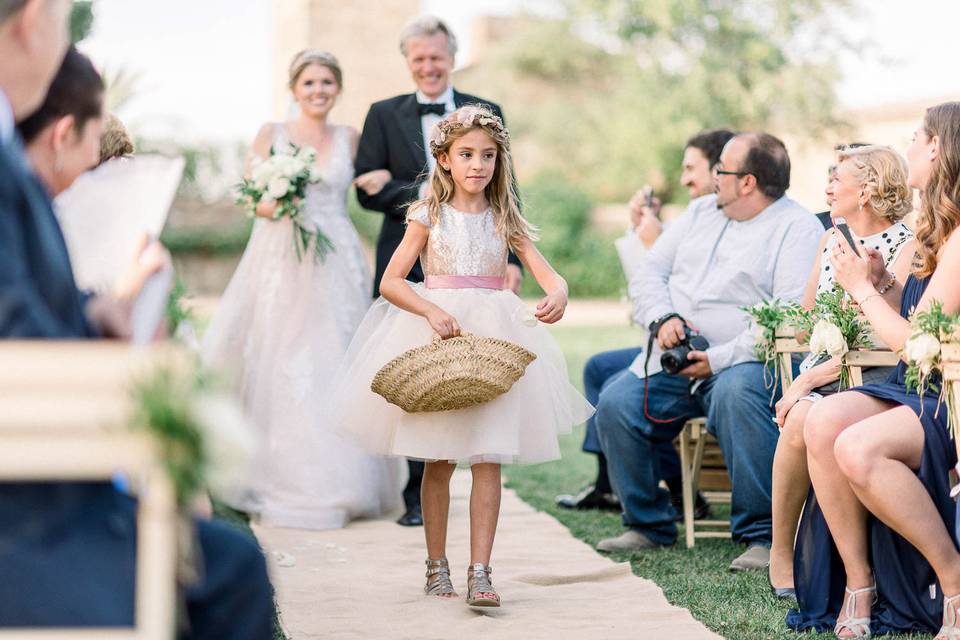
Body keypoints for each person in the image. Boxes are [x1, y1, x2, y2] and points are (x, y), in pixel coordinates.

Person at [0, 37, 272, 637]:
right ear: (64, 133)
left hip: (46, 492)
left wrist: (98, 310)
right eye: (94, 141)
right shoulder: (12, 181)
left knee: (226, 557)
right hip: (30, 518)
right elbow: (24, 345)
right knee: (233, 570)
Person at [332, 105, 593, 607]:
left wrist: (558, 292)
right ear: (445, 159)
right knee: (440, 457)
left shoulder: (504, 217)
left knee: (489, 456)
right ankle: (436, 566)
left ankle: (481, 571)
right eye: (467, 154)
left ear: (500, 161)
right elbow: (389, 281)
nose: (478, 165)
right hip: (440, 337)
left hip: (496, 339)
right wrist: (428, 310)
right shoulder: (426, 213)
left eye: (489, 156)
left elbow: (548, 272)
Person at [593, 133, 824, 573]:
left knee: (739, 396)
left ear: (748, 182)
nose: (713, 178)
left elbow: (788, 317)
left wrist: (716, 359)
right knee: (616, 403)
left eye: (723, 170)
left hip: (744, 362)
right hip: (674, 354)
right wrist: (662, 318)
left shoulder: (797, 228)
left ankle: (763, 535)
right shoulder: (700, 212)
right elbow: (650, 272)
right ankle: (647, 523)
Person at [201, 49, 401, 530]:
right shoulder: (271, 134)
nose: (318, 91)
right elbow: (253, 202)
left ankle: (344, 480)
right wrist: (281, 197)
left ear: (338, 89)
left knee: (335, 356)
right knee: (280, 359)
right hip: (282, 262)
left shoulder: (349, 137)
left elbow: (367, 184)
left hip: (335, 261)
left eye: (327, 83)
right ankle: (275, 473)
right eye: (309, 83)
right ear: (294, 89)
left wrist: (381, 178)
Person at [789, 101, 960, 639]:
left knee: (856, 447)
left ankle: (954, 583)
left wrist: (860, 290)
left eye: (916, 137)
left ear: (937, 148)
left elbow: (919, 346)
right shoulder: (941, 233)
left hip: (947, 395)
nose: (908, 146)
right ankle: (859, 583)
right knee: (820, 420)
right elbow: (922, 321)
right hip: (923, 386)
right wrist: (883, 284)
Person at [355, 15, 523, 527]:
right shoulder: (383, 113)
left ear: (451, 58)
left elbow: (507, 191)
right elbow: (364, 184)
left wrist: (511, 259)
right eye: (419, 59)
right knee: (417, 379)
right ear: (409, 62)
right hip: (416, 261)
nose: (428, 66)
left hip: (483, 263)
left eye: (437, 57)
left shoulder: (487, 112)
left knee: (477, 376)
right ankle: (416, 498)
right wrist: (423, 198)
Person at [556, 128, 734, 518]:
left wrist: (651, 241)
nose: (685, 178)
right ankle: (611, 484)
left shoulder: (729, 222)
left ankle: (676, 489)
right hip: (664, 342)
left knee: (619, 387)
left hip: (705, 349)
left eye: (692, 168)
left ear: (721, 169)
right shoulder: (694, 216)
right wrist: (641, 232)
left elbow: (690, 288)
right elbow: (647, 282)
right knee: (601, 370)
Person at [768, 145, 915, 599]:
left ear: (867, 190)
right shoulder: (830, 238)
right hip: (825, 364)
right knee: (797, 420)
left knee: (805, 415)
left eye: (838, 178)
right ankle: (781, 553)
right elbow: (810, 316)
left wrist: (804, 381)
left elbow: (890, 334)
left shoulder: (907, 245)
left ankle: (843, 565)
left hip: (877, 371)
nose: (828, 186)